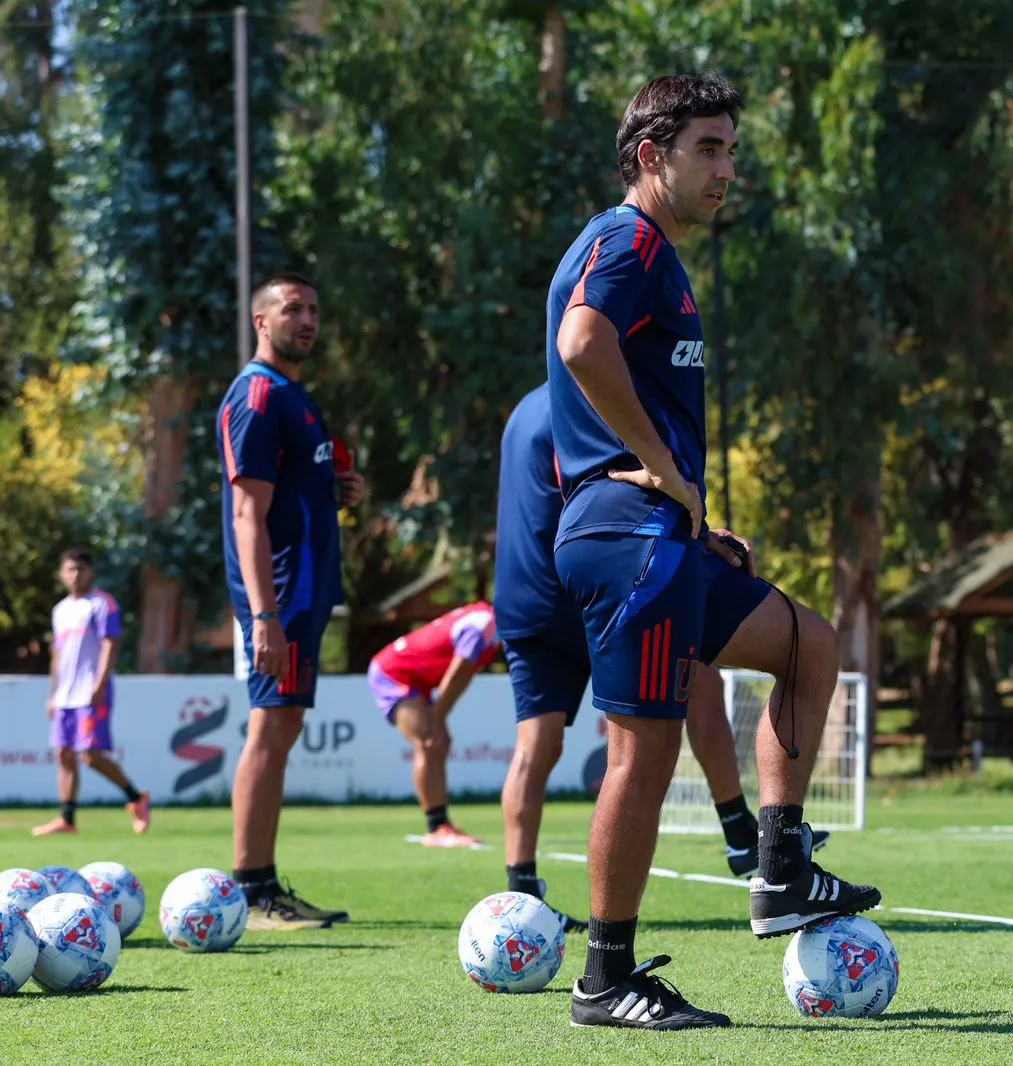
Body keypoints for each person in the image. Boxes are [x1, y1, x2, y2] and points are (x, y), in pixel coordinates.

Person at [543, 73, 877, 1029]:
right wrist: (658, 471)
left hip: (663, 535)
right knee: (641, 759)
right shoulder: (628, 238)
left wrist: (694, 513)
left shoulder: (656, 254)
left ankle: (779, 871)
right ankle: (606, 979)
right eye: (709, 149)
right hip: (624, 537)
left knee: (812, 645)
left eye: (731, 148)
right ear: (652, 156)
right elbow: (581, 342)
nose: (727, 168)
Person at [493, 385, 825, 935]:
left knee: (537, 745)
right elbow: (595, 493)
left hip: (525, 593)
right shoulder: (584, 401)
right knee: (687, 693)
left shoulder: (522, 408)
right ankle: (742, 835)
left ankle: (520, 891)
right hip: (584, 586)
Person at [216, 272, 365, 931]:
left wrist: (340, 490)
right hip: (278, 596)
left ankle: (263, 882)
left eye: (313, 308)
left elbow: (294, 496)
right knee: (270, 730)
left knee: (282, 730)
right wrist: (265, 617)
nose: (307, 319)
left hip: (300, 594)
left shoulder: (294, 397)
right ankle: (250, 889)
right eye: (292, 309)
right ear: (261, 321)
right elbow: (248, 516)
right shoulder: (256, 394)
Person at [31, 548, 151, 837]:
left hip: (90, 692)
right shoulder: (60, 610)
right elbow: (57, 656)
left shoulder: (102, 604)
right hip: (64, 696)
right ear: (61, 574)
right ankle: (67, 819)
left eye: (80, 569)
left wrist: (99, 682)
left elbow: (110, 644)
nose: (75, 575)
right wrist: (52, 693)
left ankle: (137, 799)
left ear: (91, 571)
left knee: (90, 755)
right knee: (64, 754)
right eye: (69, 569)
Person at [368, 602, 502, 848]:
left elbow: (462, 675)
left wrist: (440, 716)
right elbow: (458, 672)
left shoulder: (487, 619)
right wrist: (438, 719)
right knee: (429, 741)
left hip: (418, 680)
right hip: (393, 674)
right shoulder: (484, 625)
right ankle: (436, 827)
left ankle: (442, 825)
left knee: (438, 741)